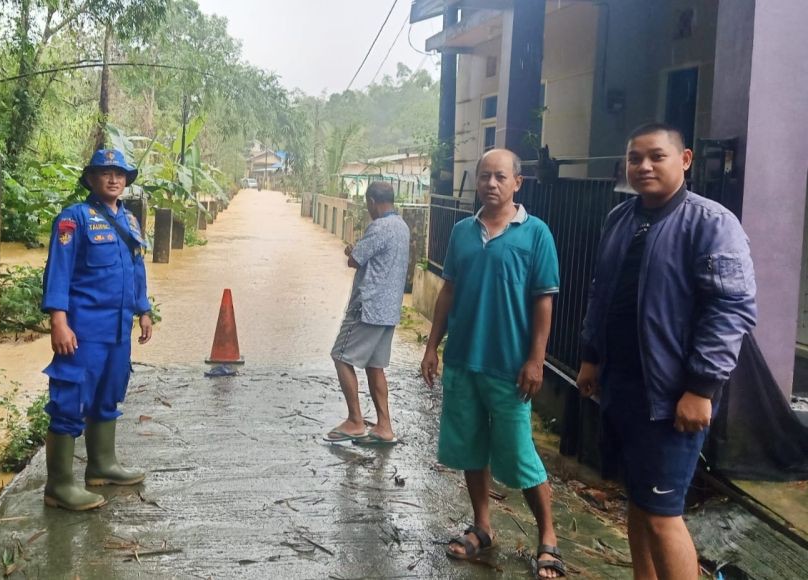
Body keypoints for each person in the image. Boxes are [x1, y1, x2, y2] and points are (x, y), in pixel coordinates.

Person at [577, 123, 756, 579]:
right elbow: (602, 294)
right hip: (622, 387)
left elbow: (729, 310)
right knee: (637, 499)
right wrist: (591, 356)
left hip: (672, 398)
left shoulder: (712, 224)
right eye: (635, 158)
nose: (643, 166)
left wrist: (701, 388)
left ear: (686, 160)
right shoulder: (621, 219)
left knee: (662, 513)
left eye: (656, 156)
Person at [421, 149, 566, 578]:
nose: (491, 184)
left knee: (521, 455)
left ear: (517, 183)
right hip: (464, 359)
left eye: (500, 176)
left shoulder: (536, 234)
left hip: (510, 366)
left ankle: (549, 538)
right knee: (470, 447)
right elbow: (448, 292)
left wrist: (536, 360)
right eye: (484, 176)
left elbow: (544, 301)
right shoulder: (463, 231)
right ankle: (482, 526)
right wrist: (432, 346)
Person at [40, 148, 154, 511]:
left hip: (118, 329)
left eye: (119, 173)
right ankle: (59, 486)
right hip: (84, 329)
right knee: (69, 399)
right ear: (90, 178)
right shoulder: (75, 219)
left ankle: (102, 466)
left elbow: (136, 270)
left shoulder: (131, 221)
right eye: (105, 172)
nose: (113, 179)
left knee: (109, 395)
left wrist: (144, 310)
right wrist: (59, 321)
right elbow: (57, 270)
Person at [324, 181, 410, 446]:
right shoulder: (402, 227)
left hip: (368, 307)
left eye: (368, 204)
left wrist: (352, 250)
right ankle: (384, 426)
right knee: (375, 367)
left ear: (372, 201)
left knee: (340, 356)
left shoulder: (379, 227)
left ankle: (355, 420)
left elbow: (355, 260)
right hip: (389, 310)